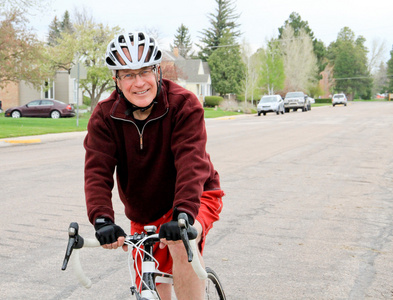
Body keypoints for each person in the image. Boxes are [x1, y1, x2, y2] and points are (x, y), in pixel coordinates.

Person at [84, 31, 224, 300]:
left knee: (182, 243)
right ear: (116, 80)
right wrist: (102, 219)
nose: (139, 83)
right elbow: (96, 171)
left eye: (145, 72)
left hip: (196, 197)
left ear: (158, 71)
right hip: (144, 212)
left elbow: (191, 163)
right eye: (128, 75)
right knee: (152, 286)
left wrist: (183, 214)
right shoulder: (104, 116)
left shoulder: (183, 104)